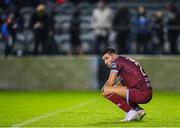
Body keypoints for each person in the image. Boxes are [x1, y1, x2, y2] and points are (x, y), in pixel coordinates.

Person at [101, 47, 152, 122]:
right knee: (115, 87)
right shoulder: (123, 59)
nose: (105, 62)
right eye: (104, 60)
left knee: (106, 90)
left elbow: (110, 82)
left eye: (107, 58)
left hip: (141, 94)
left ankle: (130, 112)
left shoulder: (116, 61)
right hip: (145, 92)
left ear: (113, 55)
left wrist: (104, 89)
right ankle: (138, 110)